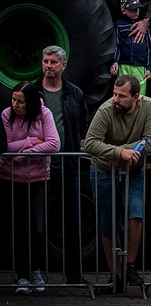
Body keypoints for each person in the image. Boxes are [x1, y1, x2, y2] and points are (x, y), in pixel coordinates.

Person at [82, 74, 151, 292]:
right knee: (107, 222)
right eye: (114, 94)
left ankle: (130, 267)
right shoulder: (106, 110)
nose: (116, 99)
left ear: (136, 97)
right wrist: (119, 152)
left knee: (136, 213)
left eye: (122, 96)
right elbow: (90, 143)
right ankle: (115, 275)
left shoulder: (149, 106)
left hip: (133, 170)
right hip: (103, 170)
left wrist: (121, 152)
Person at [35, 45, 89, 285]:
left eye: (53, 62)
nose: (48, 66)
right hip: (38, 169)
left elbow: (83, 124)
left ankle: (74, 276)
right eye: (45, 61)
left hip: (68, 167)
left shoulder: (74, 93)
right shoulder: (33, 92)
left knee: (72, 222)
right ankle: (34, 272)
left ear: (63, 65)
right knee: (37, 222)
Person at [1, 81, 60, 295]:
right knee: (18, 229)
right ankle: (22, 275)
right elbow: (5, 146)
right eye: (13, 100)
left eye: (20, 101)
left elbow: (54, 144)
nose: (15, 105)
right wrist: (32, 141)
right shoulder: (6, 115)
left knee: (39, 228)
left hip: (39, 180)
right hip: (11, 179)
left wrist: (25, 153)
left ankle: (36, 271)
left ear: (31, 102)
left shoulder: (44, 114)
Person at [110, 0, 151, 96]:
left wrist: (149, 68)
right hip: (124, 66)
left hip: (140, 67)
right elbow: (116, 45)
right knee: (122, 92)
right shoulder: (119, 25)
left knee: (139, 94)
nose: (136, 12)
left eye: (138, 9)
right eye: (132, 9)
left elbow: (150, 48)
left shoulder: (144, 26)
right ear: (123, 11)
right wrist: (115, 61)